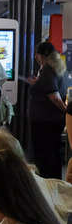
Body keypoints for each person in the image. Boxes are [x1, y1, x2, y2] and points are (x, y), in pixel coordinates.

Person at [28, 41, 67, 179]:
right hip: (52, 120)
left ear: (40, 56)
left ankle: (48, 183)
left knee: (45, 156)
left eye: (36, 54)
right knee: (53, 154)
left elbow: (54, 95)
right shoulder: (55, 67)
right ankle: (54, 182)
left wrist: (66, 110)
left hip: (45, 122)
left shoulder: (47, 70)